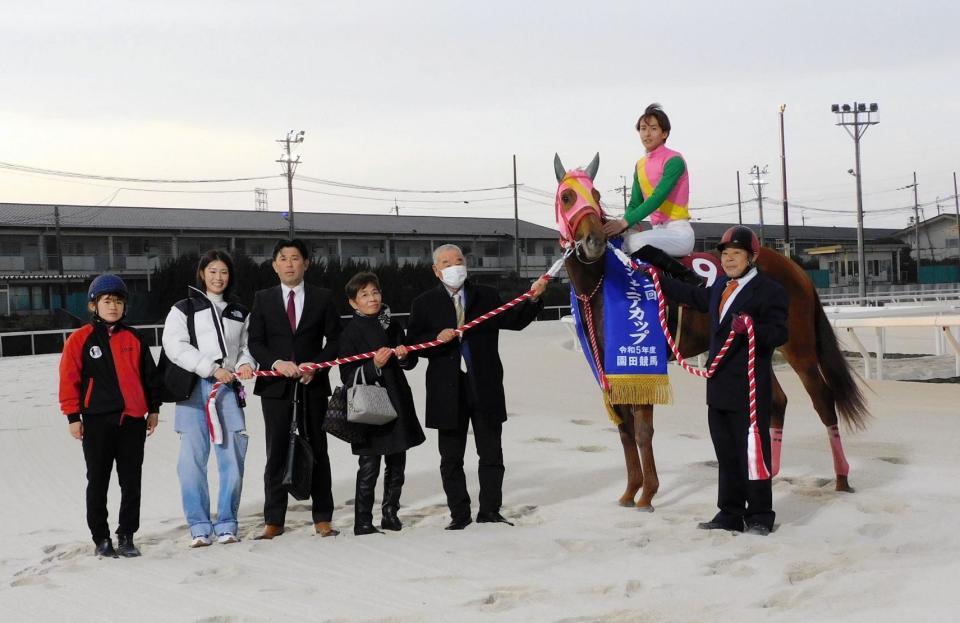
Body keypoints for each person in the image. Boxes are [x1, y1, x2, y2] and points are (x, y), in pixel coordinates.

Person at [656, 226, 788, 535]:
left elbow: (781, 333)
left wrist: (752, 326)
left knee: (754, 453)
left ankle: (759, 515)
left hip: (750, 387)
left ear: (751, 257)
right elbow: (690, 295)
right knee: (726, 452)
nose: (728, 260)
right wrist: (653, 276)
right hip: (718, 385)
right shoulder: (718, 288)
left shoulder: (770, 291)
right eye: (725, 254)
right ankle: (729, 513)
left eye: (736, 254)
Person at [407, 244, 547, 530]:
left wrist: (534, 299)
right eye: (446, 262)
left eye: (458, 260)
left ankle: (490, 511)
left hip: (484, 384)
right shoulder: (423, 303)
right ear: (436, 270)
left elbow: (515, 320)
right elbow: (414, 344)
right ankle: (459, 515)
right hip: (446, 388)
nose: (453, 266)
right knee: (451, 457)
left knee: (491, 453)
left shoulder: (486, 296)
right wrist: (436, 337)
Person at [59, 274, 161, 558]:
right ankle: (101, 538)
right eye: (107, 301)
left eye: (118, 301)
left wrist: (153, 408)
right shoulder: (80, 340)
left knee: (131, 481)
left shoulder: (135, 338)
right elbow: (69, 380)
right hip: (96, 421)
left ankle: (126, 535)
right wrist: (72, 416)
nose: (113, 306)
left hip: (132, 421)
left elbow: (150, 377)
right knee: (98, 481)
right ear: (94, 305)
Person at [162, 250, 256, 547]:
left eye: (224, 272)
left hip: (227, 391)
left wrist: (245, 364)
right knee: (191, 461)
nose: (218, 277)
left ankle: (227, 522)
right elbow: (174, 345)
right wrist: (211, 369)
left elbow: (246, 346)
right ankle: (199, 525)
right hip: (193, 389)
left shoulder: (239, 310)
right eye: (212, 271)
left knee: (232, 457)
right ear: (202, 274)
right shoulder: (183, 308)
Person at [248, 239, 341, 539]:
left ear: (306, 263)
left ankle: (323, 517)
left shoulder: (323, 297)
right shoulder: (262, 298)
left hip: (311, 386)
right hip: (275, 388)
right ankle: (274, 519)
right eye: (283, 258)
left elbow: (336, 340)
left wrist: (317, 365)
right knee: (276, 451)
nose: (289, 264)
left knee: (317, 450)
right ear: (275, 265)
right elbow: (255, 343)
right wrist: (275, 362)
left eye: (295, 258)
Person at [339, 272, 426, 535]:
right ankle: (363, 521)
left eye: (375, 292)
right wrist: (373, 365)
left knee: (397, 459)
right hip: (368, 405)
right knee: (369, 464)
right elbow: (346, 376)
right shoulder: (350, 333)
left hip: (397, 398)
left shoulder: (392, 325)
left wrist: (402, 356)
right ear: (353, 303)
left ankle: (390, 513)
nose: (372, 298)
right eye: (364, 295)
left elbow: (410, 362)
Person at [602, 103, 702, 286]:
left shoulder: (674, 160)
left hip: (678, 233)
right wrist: (623, 227)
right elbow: (634, 203)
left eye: (653, 129)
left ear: (664, 133)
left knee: (632, 243)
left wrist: (623, 223)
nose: (647, 134)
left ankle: (688, 277)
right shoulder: (639, 165)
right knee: (616, 242)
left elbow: (657, 198)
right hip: (657, 234)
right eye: (643, 129)